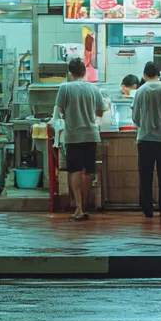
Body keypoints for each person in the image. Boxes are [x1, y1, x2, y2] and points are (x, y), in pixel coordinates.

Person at [55, 57, 105, 222]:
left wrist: (69, 117)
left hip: (73, 135)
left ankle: (79, 208)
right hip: (91, 134)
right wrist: (95, 123)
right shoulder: (94, 88)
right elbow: (100, 110)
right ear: (85, 71)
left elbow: (60, 109)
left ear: (70, 73)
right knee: (88, 171)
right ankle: (84, 204)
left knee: (75, 170)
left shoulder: (65, 88)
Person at [132, 61, 161, 218]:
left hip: (145, 139)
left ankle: (147, 209)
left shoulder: (140, 90)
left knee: (145, 176)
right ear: (159, 74)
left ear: (145, 75)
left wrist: (143, 125)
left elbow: (135, 117)